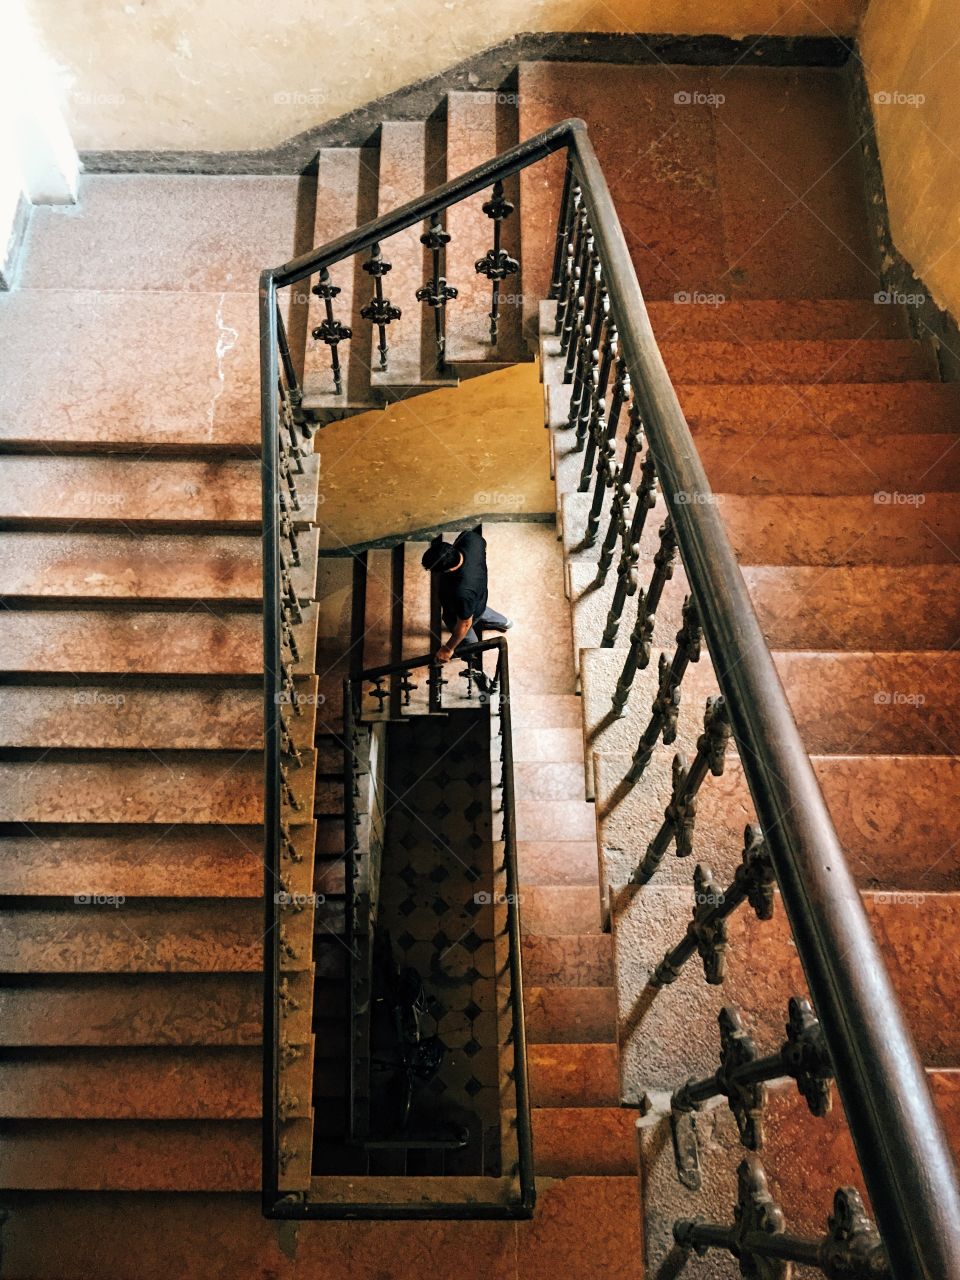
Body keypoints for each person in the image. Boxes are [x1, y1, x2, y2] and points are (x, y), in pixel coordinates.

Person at [420, 528, 512, 683]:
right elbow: (479, 542)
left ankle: (472, 655)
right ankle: (505, 623)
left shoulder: (461, 592)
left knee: (467, 637)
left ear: (447, 570)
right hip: (479, 598)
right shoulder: (471, 539)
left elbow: (464, 623)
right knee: (482, 610)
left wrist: (448, 648)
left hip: (462, 609)